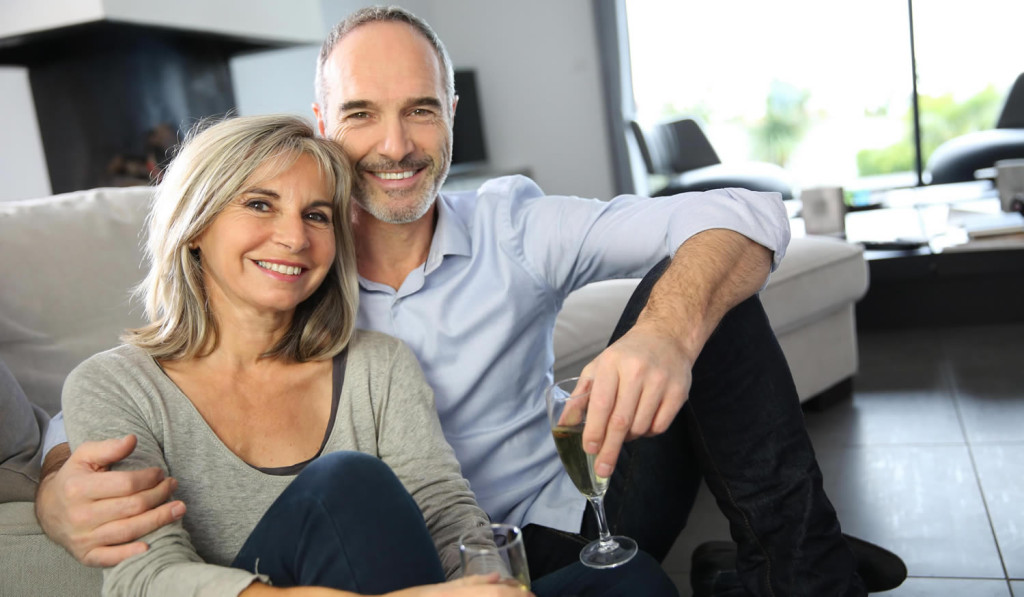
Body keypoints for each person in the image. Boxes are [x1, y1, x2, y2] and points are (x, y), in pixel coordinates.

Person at [36, 7, 904, 596]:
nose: (395, 144)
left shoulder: (511, 228)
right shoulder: (284, 275)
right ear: (320, 119)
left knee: (707, 298)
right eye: (362, 113)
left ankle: (799, 573)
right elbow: (139, 383)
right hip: (395, 557)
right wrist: (54, 484)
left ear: (450, 115)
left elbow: (746, 215)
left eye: (420, 110)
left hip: (570, 512)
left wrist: (668, 332)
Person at [57, 113, 677, 597]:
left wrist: (494, 580)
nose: (295, 236)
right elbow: (147, 579)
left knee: (626, 580)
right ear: (195, 226)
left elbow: (443, 512)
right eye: (259, 204)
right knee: (344, 484)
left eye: (318, 214)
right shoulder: (115, 388)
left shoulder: (377, 365)